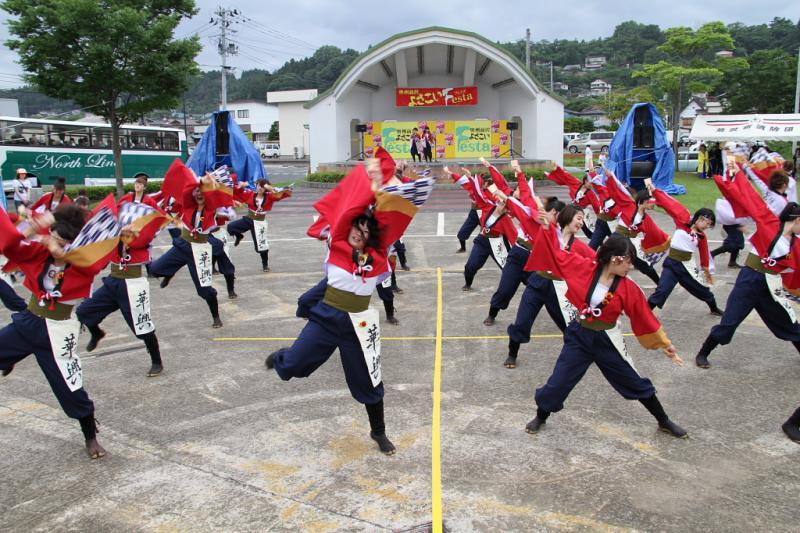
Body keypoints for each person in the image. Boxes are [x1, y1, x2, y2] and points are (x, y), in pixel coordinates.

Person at [265, 161, 435, 455]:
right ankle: (282, 356)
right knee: (294, 367)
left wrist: (393, 186)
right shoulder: (337, 244)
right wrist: (372, 184)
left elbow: (392, 222)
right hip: (326, 317)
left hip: (359, 325)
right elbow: (348, 212)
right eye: (358, 226)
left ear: (374, 238)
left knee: (370, 381)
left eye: (366, 231)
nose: (359, 232)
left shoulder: (379, 257)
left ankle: (378, 432)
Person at [525, 233, 687, 438]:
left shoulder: (628, 288)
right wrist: (547, 227)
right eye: (628, 262)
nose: (630, 267)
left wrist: (665, 344)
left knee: (633, 380)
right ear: (614, 259)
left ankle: (663, 420)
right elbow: (556, 254)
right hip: (580, 336)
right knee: (559, 382)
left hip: (607, 340)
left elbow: (644, 317)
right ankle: (541, 416)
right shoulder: (584, 268)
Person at [0, 204, 112, 458]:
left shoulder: (83, 264)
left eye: (61, 241)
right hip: (29, 322)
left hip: (59, 332)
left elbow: (95, 260)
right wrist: (42, 222)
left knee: (71, 389)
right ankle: (10, 357)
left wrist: (59, 248)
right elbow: (11, 244)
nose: (53, 243)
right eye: (53, 237)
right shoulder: (40, 253)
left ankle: (90, 436)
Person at [695, 168, 800, 369]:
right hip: (749, 280)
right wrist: (735, 176)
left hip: (771, 285)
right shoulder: (769, 222)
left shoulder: (797, 243)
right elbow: (750, 197)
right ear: (796, 220)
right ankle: (703, 353)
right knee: (729, 322)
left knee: (789, 321)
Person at [76, 198, 169, 376]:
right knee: (83, 311)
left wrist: (129, 231)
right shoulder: (114, 233)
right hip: (113, 282)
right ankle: (97, 332)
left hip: (133, 285)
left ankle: (156, 360)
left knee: (142, 327)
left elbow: (141, 240)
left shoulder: (143, 234)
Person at [505, 197, 593, 368]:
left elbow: (596, 263)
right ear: (568, 217)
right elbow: (541, 227)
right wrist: (544, 222)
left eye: (583, 220)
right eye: (579, 218)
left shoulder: (580, 246)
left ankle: (586, 353)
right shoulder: (550, 231)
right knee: (522, 322)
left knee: (570, 327)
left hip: (559, 290)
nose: (581, 223)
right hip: (538, 283)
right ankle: (512, 354)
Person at [149, 172, 229, 328]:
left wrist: (209, 182)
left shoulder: (211, 209)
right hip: (183, 245)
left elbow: (219, 194)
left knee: (205, 291)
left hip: (200, 250)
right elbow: (185, 190)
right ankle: (170, 272)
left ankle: (216, 316)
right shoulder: (187, 205)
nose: (199, 194)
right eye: (196, 191)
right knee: (155, 269)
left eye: (202, 191)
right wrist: (198, 181)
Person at [646, 184, 723, 315]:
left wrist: (707, 272)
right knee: (661, 291)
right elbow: (671, 204)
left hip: (687, 267)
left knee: (703, 290)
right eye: (707, 223)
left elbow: (705, 255)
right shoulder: (683, 220)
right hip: (671, 264)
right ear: (700, 218)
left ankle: (714, 308)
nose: (707, 227)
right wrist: (655, 192)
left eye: (710, 225)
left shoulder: (701, 237)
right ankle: (645, 313)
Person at [481, 159, 536, 326]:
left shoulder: (530, 207)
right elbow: (500, 182)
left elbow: (525, 189)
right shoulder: (509, 196)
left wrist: (520, 173)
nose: (517, 190)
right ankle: (492, 313)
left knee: (542, 288)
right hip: (517, 251)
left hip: (533, 257)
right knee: (505, 289)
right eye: (517, 189)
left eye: (520, 189)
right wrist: (490, 167)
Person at [446, 165, 515, 291]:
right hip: (482, 238)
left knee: (510, 269)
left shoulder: (500, 208)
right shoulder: (487, 204)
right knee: (470, 266)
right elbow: (476, 192)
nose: (484, 185)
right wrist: (465, 177)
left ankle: (529, 283)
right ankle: (468, 284)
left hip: (497, 241)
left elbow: (513, 236)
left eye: (486, 183)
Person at [603, 172, 669, 285]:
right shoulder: (629, 204)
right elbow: (616, 193)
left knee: (645, 265)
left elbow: (655, 232)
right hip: (617, 236)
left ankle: (660, 285)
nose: (652, 205)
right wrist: (610, 177)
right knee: (605, 255)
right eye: (650, 202)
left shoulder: (646, 219)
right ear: (643, 202)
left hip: (631, 242)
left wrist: (666, 240)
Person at [228, 178, 292, 272]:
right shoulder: (250, 194)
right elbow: (237, 192)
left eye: (262, 186)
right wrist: (241, 186)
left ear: (266, 188)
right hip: (249, 219)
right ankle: (239, 236)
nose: (260, 188)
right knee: (231, 227)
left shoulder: (270, 196)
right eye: (258, 185)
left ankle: (265, 265)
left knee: (261, 246)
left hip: (260, 222)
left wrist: (269, 188)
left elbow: (286, 191)